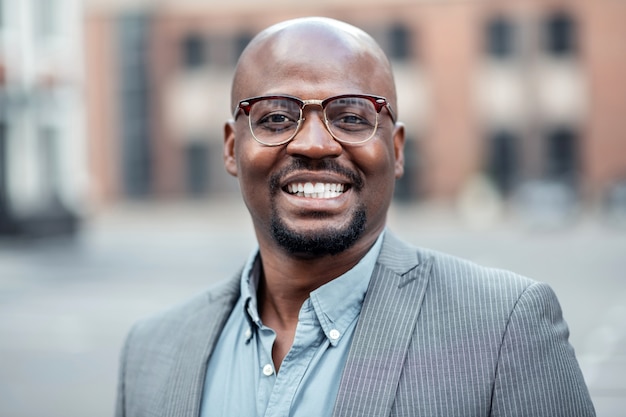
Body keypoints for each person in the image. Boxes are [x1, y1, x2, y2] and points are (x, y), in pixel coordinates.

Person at [115, 17, 595, 417]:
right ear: (231, 148)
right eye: (276, 118)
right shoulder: (152, 352)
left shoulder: (504, 327)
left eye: (351, 116)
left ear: (397, 149)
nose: (315, 144)